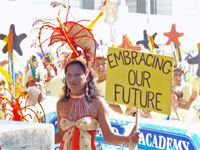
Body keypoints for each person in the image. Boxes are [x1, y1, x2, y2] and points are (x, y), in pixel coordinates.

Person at [55, 60, 140, 149]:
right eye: (69, 74)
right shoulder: (61, 104)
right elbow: (61, 135)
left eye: (77, 75)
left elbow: (108, 136)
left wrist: (127, 139)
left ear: (86, 75)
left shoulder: (98, 103)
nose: (72, 79)